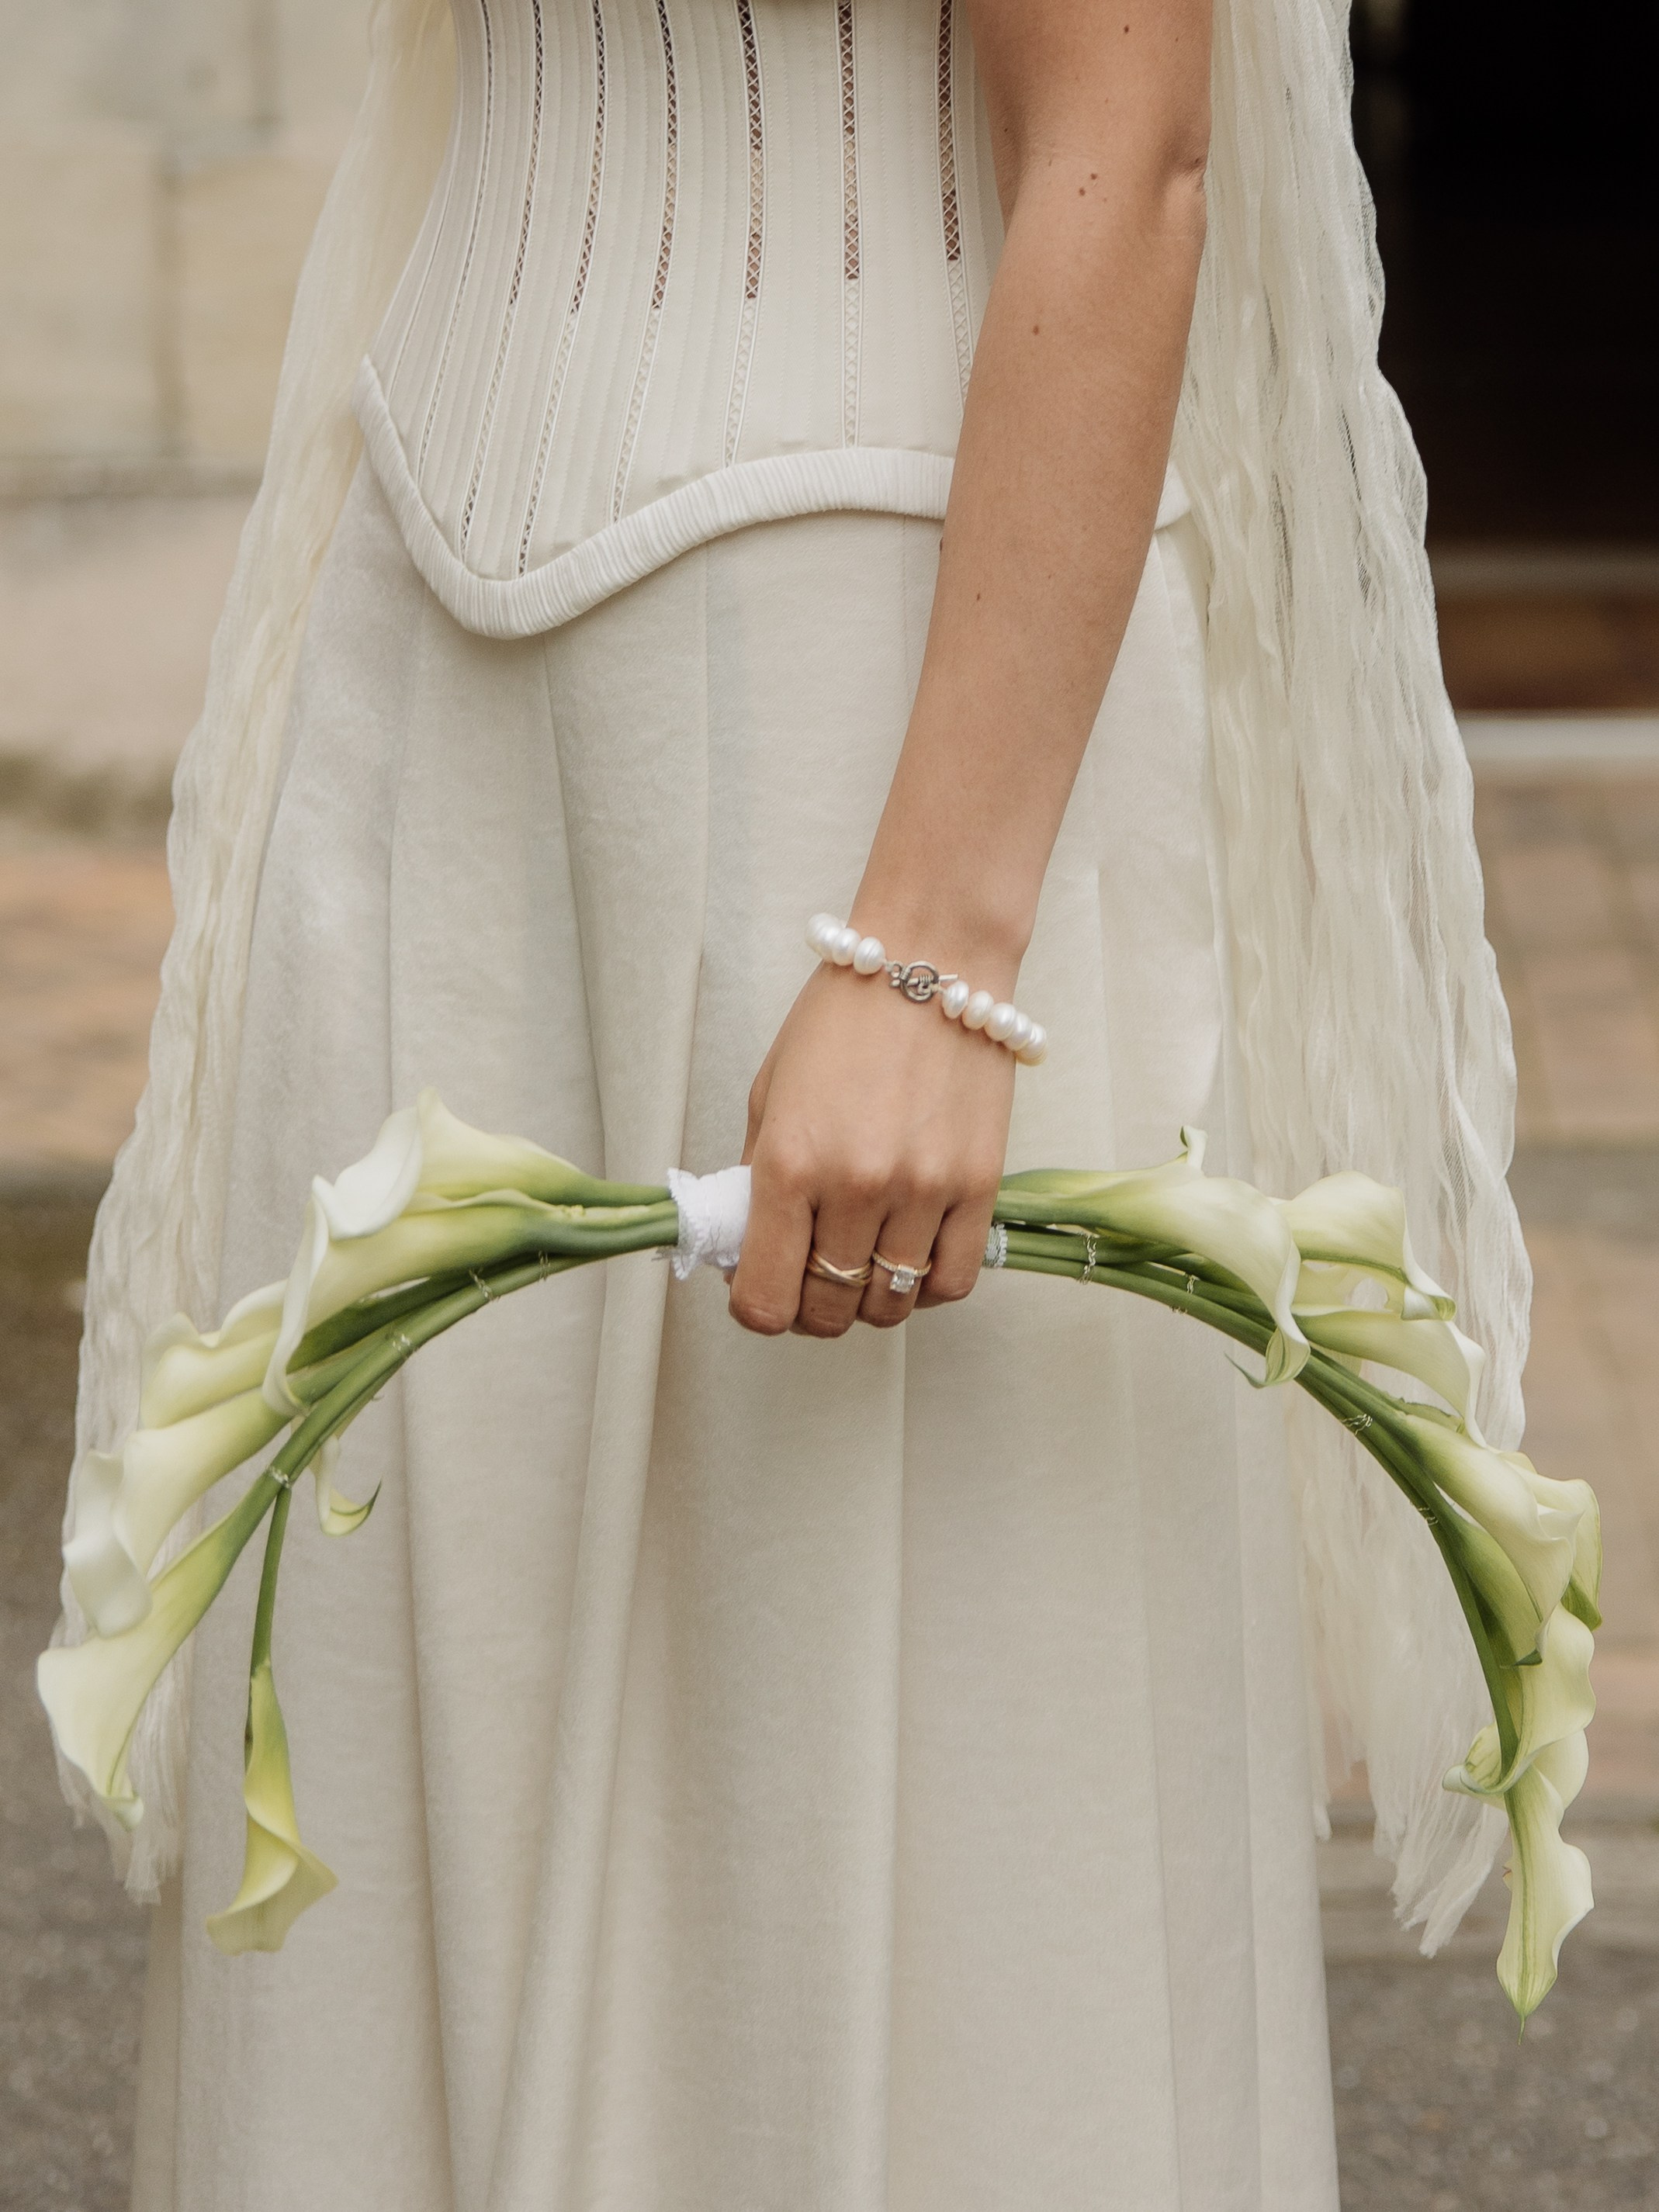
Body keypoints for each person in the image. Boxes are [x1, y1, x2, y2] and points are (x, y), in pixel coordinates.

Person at [58, 1, 1529, 2205]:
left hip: (864, 670)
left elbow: (1124, 155)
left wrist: (933, 947)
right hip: (414, 645)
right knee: (391, 1735)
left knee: (897, 1800)